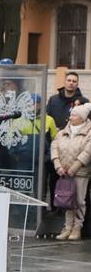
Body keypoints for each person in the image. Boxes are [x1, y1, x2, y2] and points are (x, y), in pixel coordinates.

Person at [51, 103, 91, 241]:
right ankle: (67, 227)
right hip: (64, 172)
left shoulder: (89, 133)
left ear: (82, 118)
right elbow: (54, 147)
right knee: (67, 200)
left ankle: (77, 227)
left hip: (80, 172)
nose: (71, 117)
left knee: (79, 201)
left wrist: (74, 168)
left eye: (74, 115)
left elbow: (87, 152)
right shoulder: (63, 132)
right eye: (71, 114)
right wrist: (58, 165)